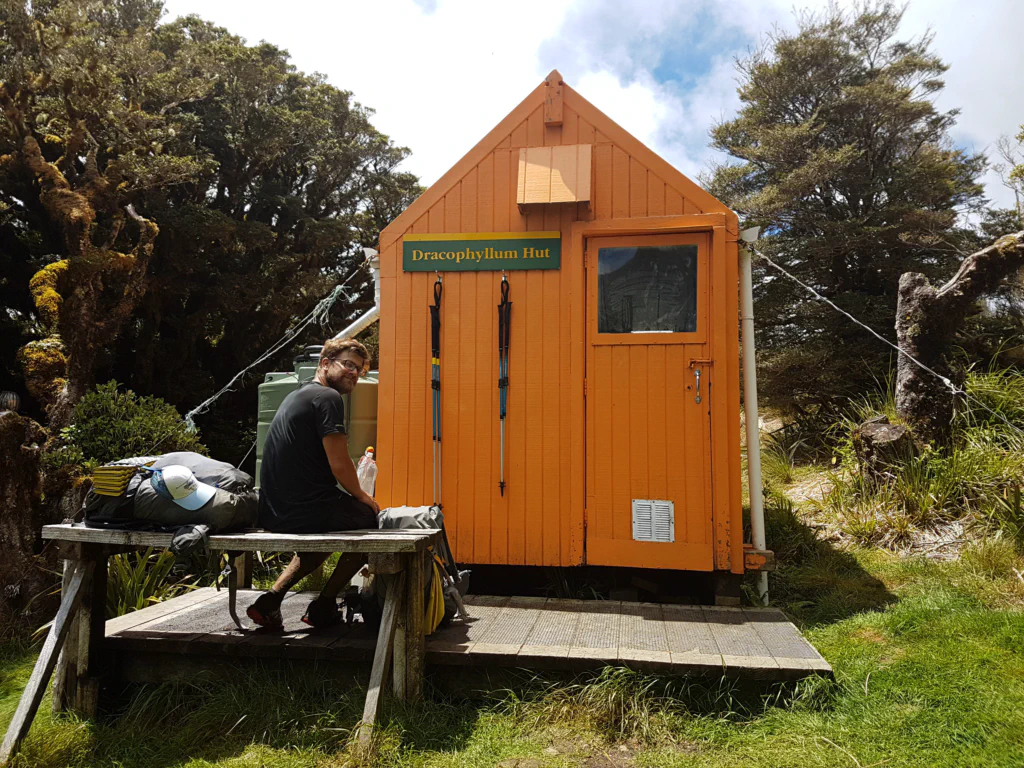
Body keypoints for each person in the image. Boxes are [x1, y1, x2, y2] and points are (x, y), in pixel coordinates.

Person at [246, 338, 379, 629]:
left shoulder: (300, 394)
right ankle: (325, 604)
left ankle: (271, 599)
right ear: (324, 364)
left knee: (330, 522)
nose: (354, 373)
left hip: (273, 510)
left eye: (359, 369)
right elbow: (340, 461)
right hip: (303, 509)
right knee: (370, 521)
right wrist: (363, 497)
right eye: (347, 364)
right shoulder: (328, 398)